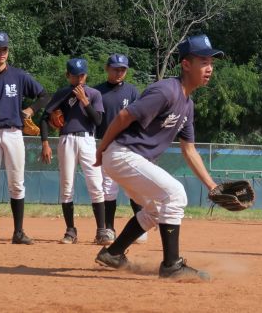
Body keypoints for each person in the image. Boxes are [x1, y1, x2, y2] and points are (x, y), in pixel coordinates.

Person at [92, 34, 223, 281]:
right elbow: (123, 116)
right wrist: (102, 148)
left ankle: (114, 253)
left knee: (155, 210)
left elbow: (189, 149)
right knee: (175, 194)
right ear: (186, 64)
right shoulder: (166, 91)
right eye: (204, 61)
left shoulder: (187, 104)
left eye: (211, 63)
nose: (210, 68)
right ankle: (172, 265)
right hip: (123, 154)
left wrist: (212, 186)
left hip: (131, 158)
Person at [0, 31, 49, 245]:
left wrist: (31, 109)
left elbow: (44, 95)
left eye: (4, 49)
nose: (2, 52)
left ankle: (18, 232)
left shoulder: (19, 75)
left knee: (17, 183)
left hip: (14, 133)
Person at [40, 58, 111, 245]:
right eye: (74, 75)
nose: (79, 79)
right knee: (66, 187)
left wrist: (84, 101)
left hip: (88, 140)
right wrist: (45, 143)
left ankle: (101, 231)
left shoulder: (94, 94)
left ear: (86, 75)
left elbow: (97, 121)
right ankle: (70, 231)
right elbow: (44, 118)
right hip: (66, 140)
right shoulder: (62, 94)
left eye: (81, 75)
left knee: (96, 185)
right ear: (67, 75)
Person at [93, 54, 144, 243]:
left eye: (122, 69)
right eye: (115, 68)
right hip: (105, 144)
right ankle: (109, 228)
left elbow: (139, 118)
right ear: (107, 68)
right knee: (108, 188)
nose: (119, 72)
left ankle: (139, 228)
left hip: (128, 144)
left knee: (133, 186)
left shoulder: (132, 91)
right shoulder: (97, 92)